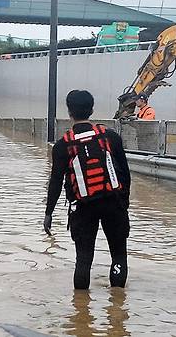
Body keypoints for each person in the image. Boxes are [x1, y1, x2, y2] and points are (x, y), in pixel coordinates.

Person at [44, 90, 131, 290]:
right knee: (118, 255)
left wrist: (49, 213)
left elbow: (56, 181)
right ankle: (117, 312)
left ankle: (81, 313)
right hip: (113, 202)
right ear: (92, 110)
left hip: (83, 207)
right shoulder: (110, 137)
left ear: (69, 112)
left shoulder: (62, 146)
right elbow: (125, 174)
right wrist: (124, 203)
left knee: (83, 260)